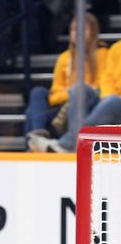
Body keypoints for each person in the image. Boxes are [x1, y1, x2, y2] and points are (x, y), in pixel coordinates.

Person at [30, 25, 121, 153]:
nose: (78, 33)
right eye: (73, 29)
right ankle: (70, 142)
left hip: (115, 103)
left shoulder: (102, 53)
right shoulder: (117, 48)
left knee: (113, 101)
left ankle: (70, 143)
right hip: (100, 102)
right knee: (80, 88)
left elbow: (99, 83)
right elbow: (107, 80)